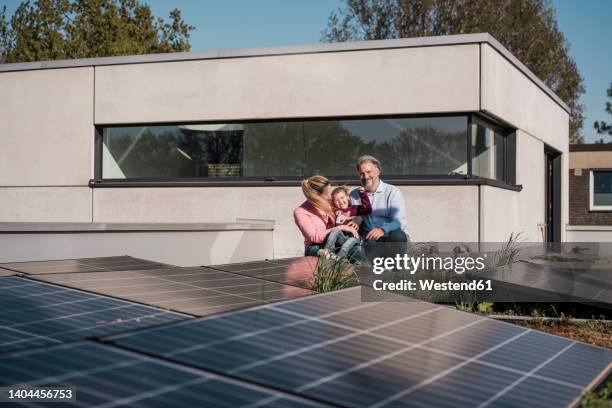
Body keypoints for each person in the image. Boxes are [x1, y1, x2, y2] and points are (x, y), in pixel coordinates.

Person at [350, 155, 409, 248]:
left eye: (369, 172)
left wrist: (382, 230)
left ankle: (396, 262)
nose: (365, 177)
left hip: (389, 238)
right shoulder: (354, 195)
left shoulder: (392, 192)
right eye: (362, 173)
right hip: (368, 242)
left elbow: (399, 222)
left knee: (397, 235)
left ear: (378, 171)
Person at [293, 175, 359, 257]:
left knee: (357, 250)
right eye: (327, 194)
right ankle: (327, 256)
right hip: (316, 246)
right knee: (316, 249)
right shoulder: (300, 212)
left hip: (338, 242)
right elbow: (314, 237)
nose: (330, 197)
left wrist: (358, 218)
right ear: (317, 196)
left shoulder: (330, 202)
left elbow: (351, 209)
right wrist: (341, 227)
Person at [320, 185, 371, 259]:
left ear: (347, 197)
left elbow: (367, 209)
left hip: (355, 237)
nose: (340, 201)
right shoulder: (335, 213)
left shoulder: (355, 208)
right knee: (335, 230)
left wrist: (363, 195)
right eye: (336, 200)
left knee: (347, 244)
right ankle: (327, 251)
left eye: (342, 197)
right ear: (333, 203)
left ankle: (338, 258)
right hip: (342, 238)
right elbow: (330, 227)